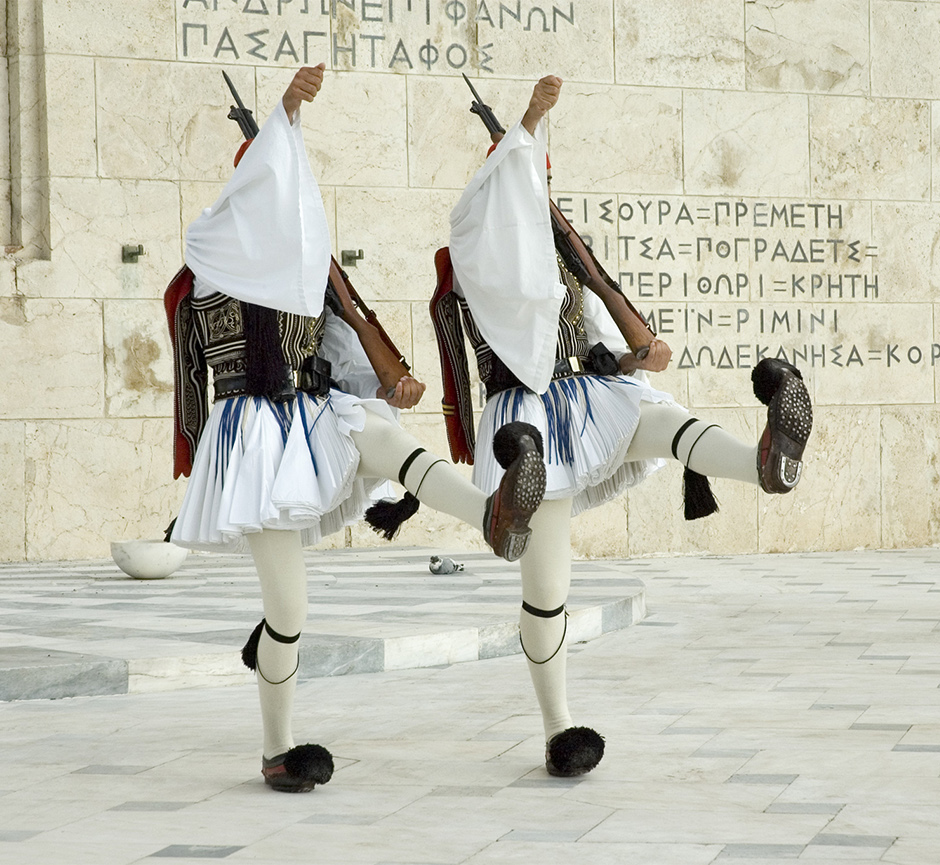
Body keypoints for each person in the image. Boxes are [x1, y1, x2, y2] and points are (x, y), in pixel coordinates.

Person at [405, 76, 813, 777]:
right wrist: (525, 127)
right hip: (525, 426)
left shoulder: (564, 258)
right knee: (546, 586)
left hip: (587, 395)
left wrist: (635, 352)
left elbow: (602, 334)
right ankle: (559, 726)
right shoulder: (478, 257)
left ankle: (766, 459)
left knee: (658, 412)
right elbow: (495, 252)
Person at [164, 64, 547, 793]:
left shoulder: (305, 271)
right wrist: (282, 115)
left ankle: (493, 513)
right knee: (289, 609)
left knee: (391, 440)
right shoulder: (214, 259)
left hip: (316, 412)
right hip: (253, 439)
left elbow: (342, 346)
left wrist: (389, 381)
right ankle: (277, 746)